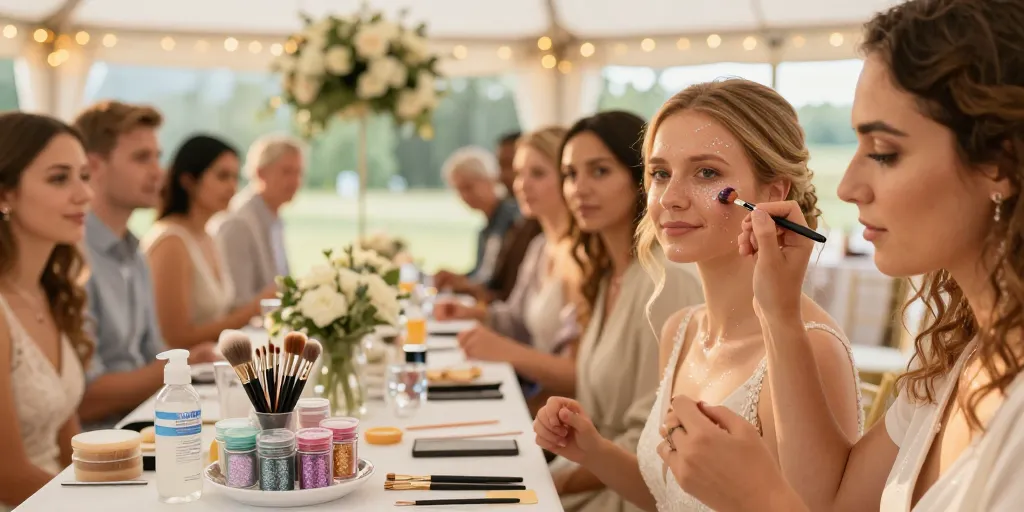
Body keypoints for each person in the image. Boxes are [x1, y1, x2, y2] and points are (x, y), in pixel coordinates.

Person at [635, 1, 1024, 511]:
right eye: (659, 173)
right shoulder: (953, 362)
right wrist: (778, 310)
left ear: (999, 162)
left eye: (884, 152)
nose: (847, 187)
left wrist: (757, 498)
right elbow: (835, 501)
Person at [533, 79, 864, 512]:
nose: (670, 198)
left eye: (706, 173)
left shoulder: (811, 347)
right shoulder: (682, 329)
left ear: (773, 193)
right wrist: (592, 449)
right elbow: (670, 497)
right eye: (660, 174)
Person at [544, 111, 706, 512]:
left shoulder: (666, 281)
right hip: (589, 476)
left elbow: (652, 443)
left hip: (627, 494)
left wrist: (549, 482)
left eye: (599, 171)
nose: (579, 188)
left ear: (642, 180)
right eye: (569, 174)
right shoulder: (609, 276)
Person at [75, 102, 218, 428]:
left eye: (157, 156)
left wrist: (191, 362)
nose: (159, 171)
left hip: (145, 421)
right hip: (101, 442)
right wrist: (185, 363)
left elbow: (153, 351)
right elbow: (87, 397)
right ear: (94, 166)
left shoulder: (135, 251)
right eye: (142, 158)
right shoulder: (74, 258)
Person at [435, 127, 578, 402]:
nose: (521, 185)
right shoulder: (540, 248)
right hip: (536, 392)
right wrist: (471, 314)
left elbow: (580, 375)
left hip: (552, 402)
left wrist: (502, 349)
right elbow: (514, 319)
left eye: (537, 174)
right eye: (519, 173)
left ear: (568, 177)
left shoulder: (582, 257)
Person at [0, 112, 91, 509]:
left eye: (84, 176)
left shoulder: (49, 293)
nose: (84, 194)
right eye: (59, 178)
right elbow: (7, 475)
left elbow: (69, 445)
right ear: (5, 194)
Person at [144, 135, 275, 349]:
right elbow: (176, 339)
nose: (232, 187)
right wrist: (256, 307)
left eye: (235, 177)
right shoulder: (171, 242)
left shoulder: (208, 236)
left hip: (207, 365)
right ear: (188, 181)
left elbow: (219, 317)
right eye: (223, 177)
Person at [211, 133, 305, 306]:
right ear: (260, 173)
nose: (295, 181)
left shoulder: (274, 217)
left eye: (298, 172)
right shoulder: (238, 223)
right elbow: (237, 302)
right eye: (286, 172)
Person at [433, 146, 520, 294]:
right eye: (459, 190)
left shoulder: (514, 220)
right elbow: (481, 272)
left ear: (490, 179)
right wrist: (457, 278)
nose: (464, 196)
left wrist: (464, 284)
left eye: (468, 187)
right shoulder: (485, 230)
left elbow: (500, 282)